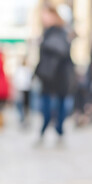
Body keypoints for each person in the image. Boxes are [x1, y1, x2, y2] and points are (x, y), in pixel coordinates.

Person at [34, 5, 74, 144]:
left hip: (60, 75)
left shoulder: (61, 31)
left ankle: (59, 131)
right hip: (47, 76)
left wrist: (44, 43)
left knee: (59, 105)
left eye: (45, 15)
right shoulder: (46, 32)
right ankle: (45, 130)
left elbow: (61, 50)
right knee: (45, 106)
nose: (43, 18)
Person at [13, 57, 33, 126]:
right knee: (21, 104)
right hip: (21, 89)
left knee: (25, 105)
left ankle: (25, 117)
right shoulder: (21, 69)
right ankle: (22, 117)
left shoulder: (27, 69)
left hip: (26, 89)